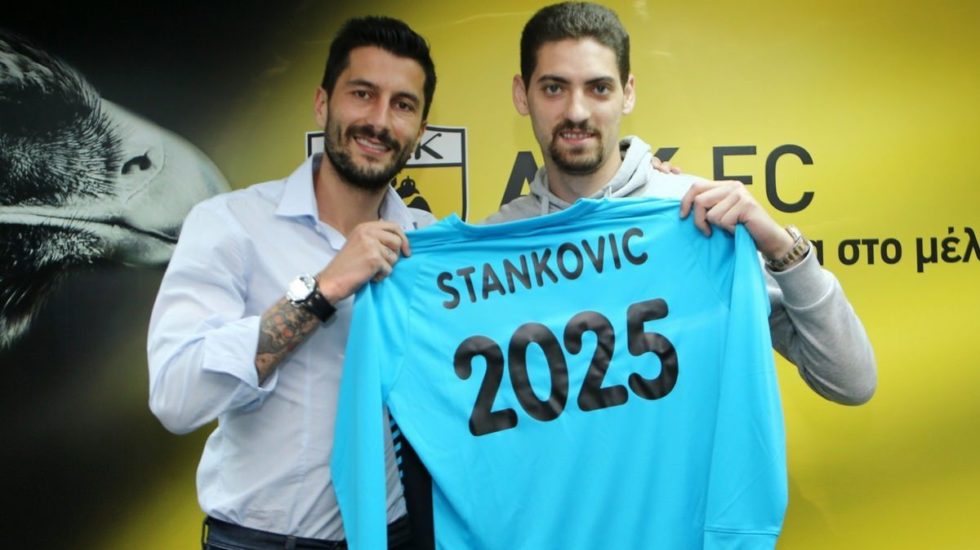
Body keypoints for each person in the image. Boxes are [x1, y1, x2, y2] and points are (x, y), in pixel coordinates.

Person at [485, 1, 877, 405]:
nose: (577, 111)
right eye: (554, 88)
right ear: (522, 94)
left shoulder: (699, 218)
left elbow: (851, 383)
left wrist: (782, 249)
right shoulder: (490, 248)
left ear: (627, 94)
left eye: (599, 88)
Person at [146, 16, 438, 549]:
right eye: (362, 94)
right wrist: (321, 290)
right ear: (323, 103)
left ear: (419, 131)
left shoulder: (429, 244)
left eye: (402, 105)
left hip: (395, 536)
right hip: (261, 541)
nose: (379, 120)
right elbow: (176, 397)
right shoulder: (230, 223)